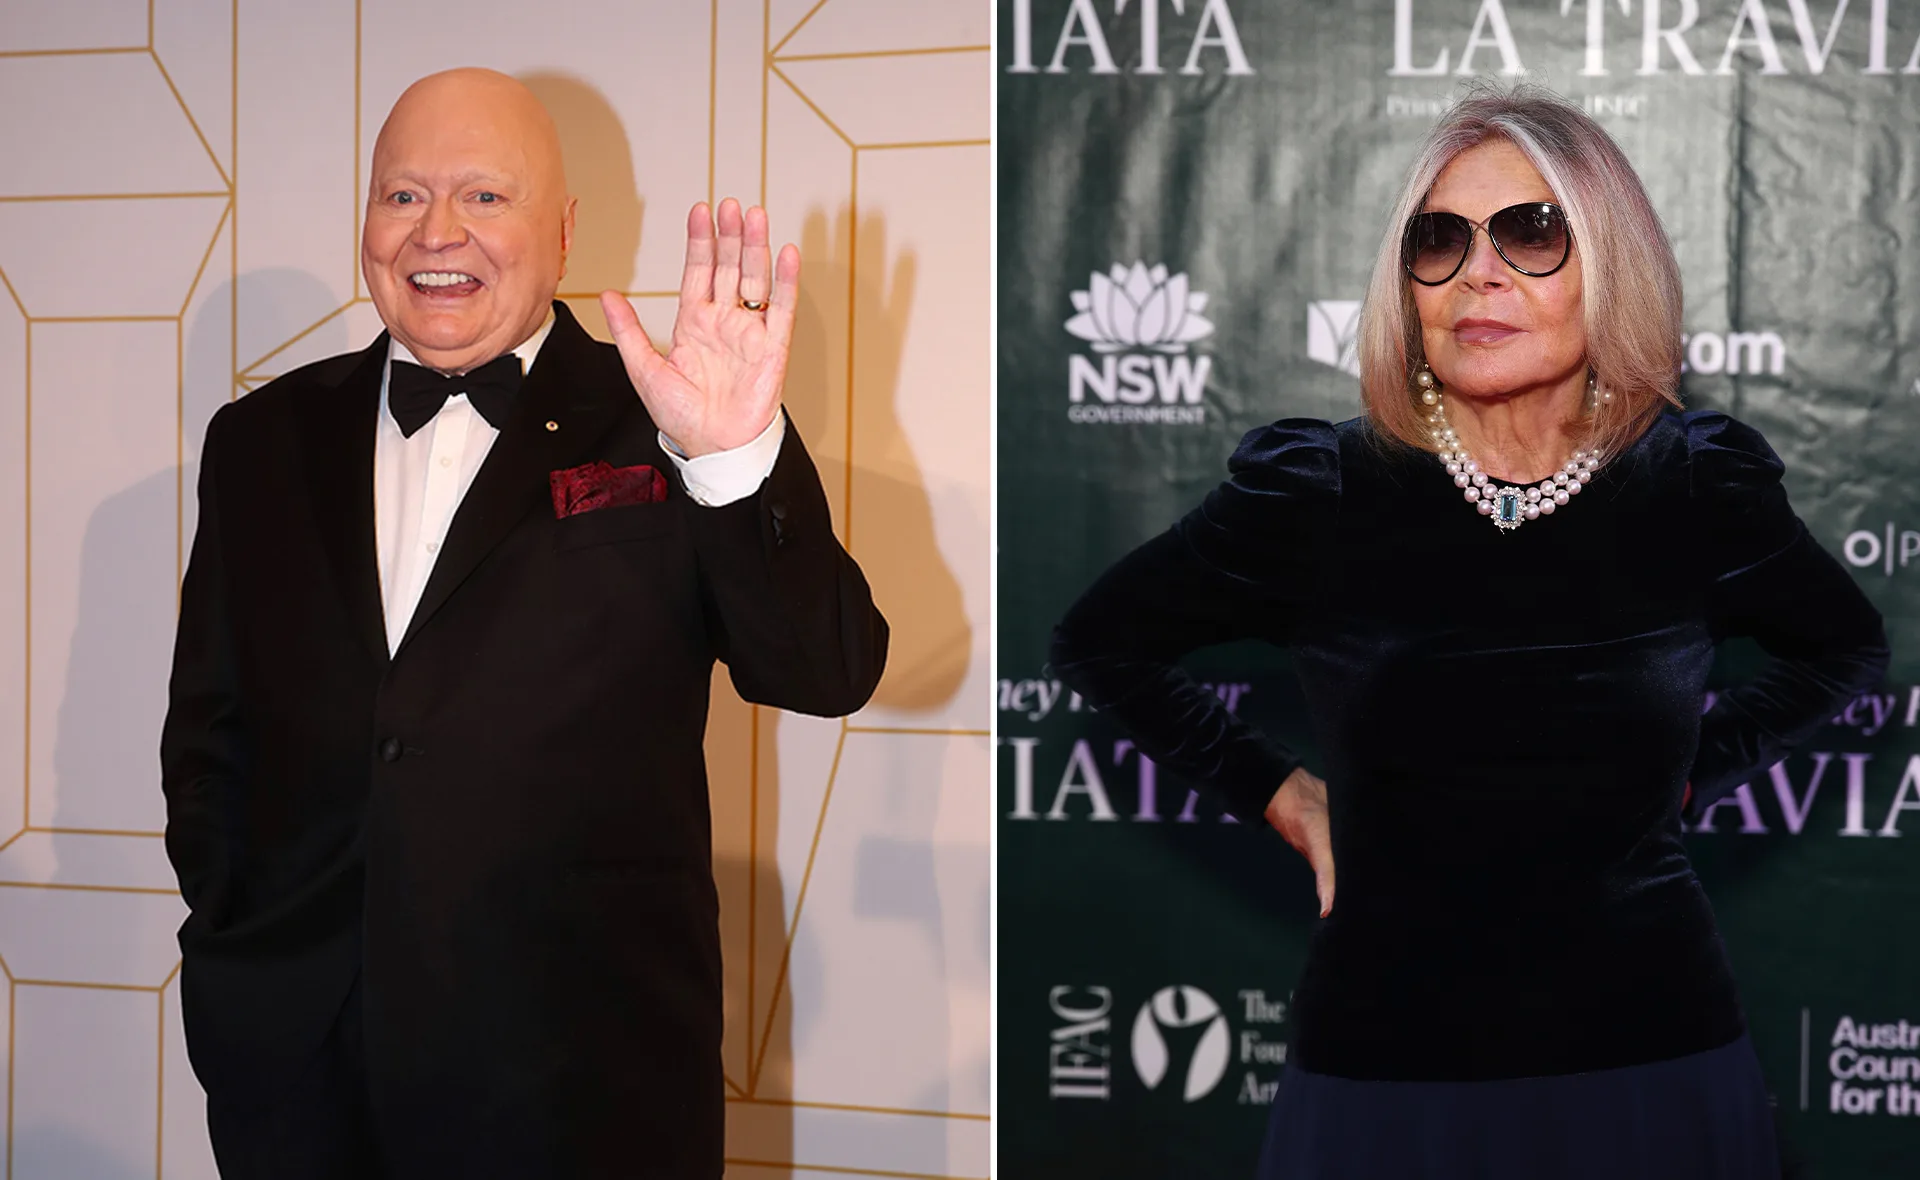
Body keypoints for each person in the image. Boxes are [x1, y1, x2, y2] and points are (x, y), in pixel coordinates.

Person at [1049, 85, 1888, 1180]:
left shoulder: (1692, 485)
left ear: (1612, 264)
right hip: (1385, 1072)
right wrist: (1281, 792)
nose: (1477, 274)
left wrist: (1694, 765)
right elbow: (1100, 642)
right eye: (1438, 240)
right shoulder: (1320, 491)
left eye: (1531, 233)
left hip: (1652, 1057)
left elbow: (1845, 647)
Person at [161, 67, 887, 1179]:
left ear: (564, 232)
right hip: (302, 1078)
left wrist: (735, 459)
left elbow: (823, 668)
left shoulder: (667, 419)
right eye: (403, 195)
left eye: (485, 197)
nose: (435, 232)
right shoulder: (258, 440)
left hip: (583, 1081)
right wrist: (237, 934)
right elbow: (208, 734)